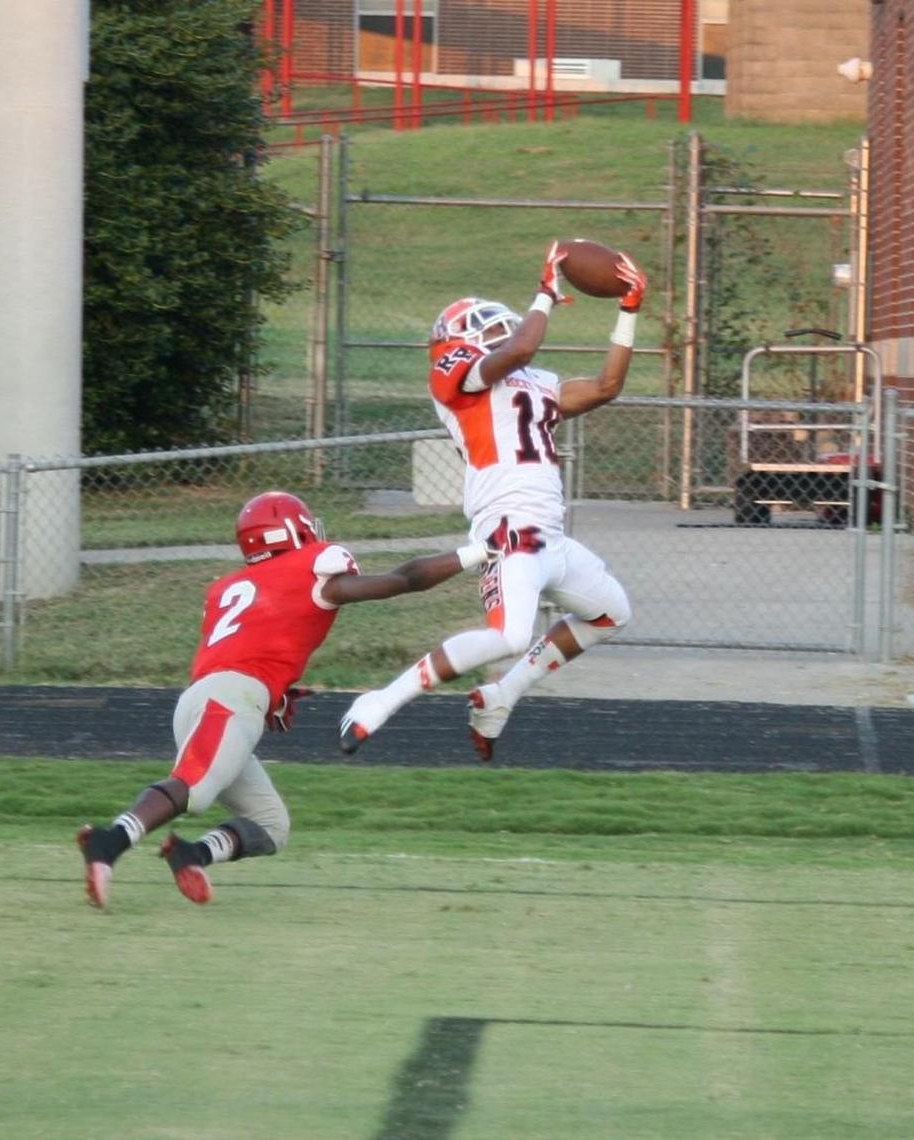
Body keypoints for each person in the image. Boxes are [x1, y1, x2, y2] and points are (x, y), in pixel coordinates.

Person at [76, 489, 542, 908]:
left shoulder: (227, 587)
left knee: (272, 825)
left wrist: (275, 692)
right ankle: (109, 842)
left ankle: (190, 854)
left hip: (217, 696)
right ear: (290, 532)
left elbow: (250, 643)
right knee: (194, 790)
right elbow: (406, 579)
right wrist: (480, 551)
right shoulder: (312, 566)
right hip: (230, 699)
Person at [338, 240, 646, 761]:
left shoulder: (532, 382)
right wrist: (546, 292)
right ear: (454, 341)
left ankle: (504, 694)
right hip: (508, 528)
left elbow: (605, 386)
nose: (496, 326)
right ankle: (382, 700)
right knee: (509, 635)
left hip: (548, 532)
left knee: (611, 613)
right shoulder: (454, 376)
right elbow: (520, 348)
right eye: (482, 323)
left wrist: (629, 310)